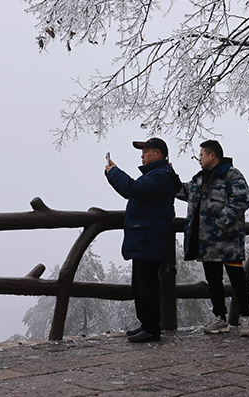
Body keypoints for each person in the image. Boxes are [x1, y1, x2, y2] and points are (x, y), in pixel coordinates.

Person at [105, 137, 181, 343]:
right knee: (140, 284)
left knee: (147, 285)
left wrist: (114, 173)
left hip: (150, 236)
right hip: (145, 236)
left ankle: (152, 329)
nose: (142, 154)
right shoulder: (157, 175)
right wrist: (113, 175)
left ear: (157, 154)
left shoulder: (160, 176)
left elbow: (133, 190)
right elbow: (132, 191)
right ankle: (146, 324)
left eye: (145, 150)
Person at [177, 140, 249, 336]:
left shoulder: (232, 174)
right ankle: (220, 319)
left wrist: (220, 223)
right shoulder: (199, 179)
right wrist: (170, 175)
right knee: (213, 282)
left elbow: (242, 200)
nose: (199, 158)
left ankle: (246, 319)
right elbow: (183, 191)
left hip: (228, 241)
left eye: (201, 155)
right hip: (207, 243)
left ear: (212, 155)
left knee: (238, 280)